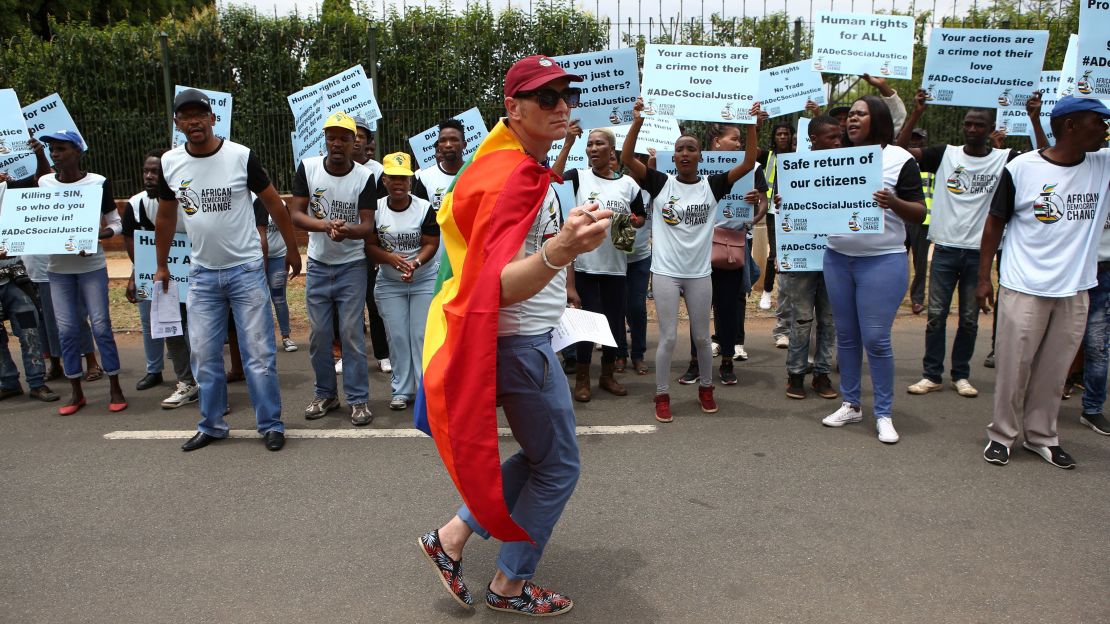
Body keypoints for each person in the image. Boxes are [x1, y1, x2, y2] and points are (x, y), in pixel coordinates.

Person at [417, 54, 610, 616]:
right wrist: (562, 251)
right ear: (513, 107)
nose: (560, 106)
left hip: (523, 339)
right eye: (546, 98)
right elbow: (494, 287)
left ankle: (451, 538)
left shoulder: (516, 169)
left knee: (541, 456)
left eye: (565, 96)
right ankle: (509, 585)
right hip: (520, 343)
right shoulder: (511, 179)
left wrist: (563, 249)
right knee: (560, 465)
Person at [154, 88, 301, 452]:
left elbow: (274, 202)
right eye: (185, 116)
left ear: (212, 118)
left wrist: (293, 251)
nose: (193, 122)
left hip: (247, 271)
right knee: (203, 354)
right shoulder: (170, 163)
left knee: (259, 354)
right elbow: (166, 216)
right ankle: (212, 424)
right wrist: (160, 266)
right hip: (202, 275)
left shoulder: (240, 156)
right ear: (177, 123)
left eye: (199, 115)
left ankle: (270, 424)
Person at [977, 96, 1110, 469]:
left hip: (1075, 289)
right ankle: (1002, 435)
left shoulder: (1103, 165)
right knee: (1013, 368)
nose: (1104, 130)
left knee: (1055, 371)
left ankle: (1042, 437)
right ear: (1070, 125)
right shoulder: (1022, 168)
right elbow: (994, 224)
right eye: (1097, 123)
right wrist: (983, 276)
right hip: (1024, 287)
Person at [621, 96, 759, 423]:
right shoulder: (660, 183)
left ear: (700, 155)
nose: (685, 153)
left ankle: (706, 389)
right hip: (666, 273)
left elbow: (749, 160)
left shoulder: (713, 186)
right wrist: (638, 120)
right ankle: (662, 394)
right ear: (674, 154)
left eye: (691, 149)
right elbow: (626, 157)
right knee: (668, 337)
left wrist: (752, 125)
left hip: (699, 274)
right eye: (680, 149)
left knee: (700, 337)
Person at [819, 96, 926, 444]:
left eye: (859, 115)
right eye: (849, 115)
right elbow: (816, 200)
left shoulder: (900, 159)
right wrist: (790, 203)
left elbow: (919, 212)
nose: (851, 120)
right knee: (846, 337)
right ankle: (851, 403)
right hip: (837, 258)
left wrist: (892, 201)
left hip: (882, 261)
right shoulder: (833, 159)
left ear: (877, 119)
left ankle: (883, 413)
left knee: (876, 339)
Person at [897, 91, 1017, 400]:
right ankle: (931, 374)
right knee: (936, 315)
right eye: (968, 124)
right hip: (946, 249)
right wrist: (916, 113)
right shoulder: (946, 154)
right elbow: (899, 151)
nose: (972, 129)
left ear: (991, 129)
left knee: (969, 318)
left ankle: (961, 374)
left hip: (979, 253)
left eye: (979, 125)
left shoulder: (1006, 160)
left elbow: (1045, 155)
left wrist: (1032, 118)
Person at [288, 111, 376, 426]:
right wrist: (324, 225)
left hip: (352, 265)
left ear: (355, 142)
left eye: (344, 137)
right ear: (325, 139)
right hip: (319, 264)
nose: (337, 143)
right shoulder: (309, 168)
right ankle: (325, 393)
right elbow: (296, 214)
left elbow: (367, 225)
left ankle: (358, 399)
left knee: (351, 334)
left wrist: (347, 230)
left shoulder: (365, 177)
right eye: (332, 137)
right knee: (320, 335)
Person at [38, 130, 128, 415]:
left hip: (91, 266)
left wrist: (101, 234)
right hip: (58, 269)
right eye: (52, 149)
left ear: (77, 152)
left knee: (101, 326)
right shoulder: (44, 183)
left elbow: (117, 222)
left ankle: (115, 386)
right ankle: (75, 391)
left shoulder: (98, 183)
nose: (55, 154)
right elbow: (33, 217)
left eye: (61, 149)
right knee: (66, 330)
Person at [553, 123, 644, 400]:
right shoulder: (578, 177)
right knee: (586, 322)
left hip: (616, 267)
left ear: (612, 149)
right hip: (584, 266)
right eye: (590, 144)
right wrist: (568, 142)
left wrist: (630, 222)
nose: (593, 149)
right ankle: (583, 379)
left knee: (614, 322)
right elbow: (553, 179)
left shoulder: (628, 184)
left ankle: (607, 376)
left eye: (599, 144)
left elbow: (640, 217)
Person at [678, 123, 769, 385]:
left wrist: (755, 214)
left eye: (742, 139)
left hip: (731, 248)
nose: (739, 144)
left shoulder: (751, 168)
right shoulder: (696, 165)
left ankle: (727, 361)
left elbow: (763, 202)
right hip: (697, 247)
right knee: (698, 310)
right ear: (716, 141)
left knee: (728, 307)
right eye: (734, 138)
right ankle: (696, 363)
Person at [121, 148, 199, 409]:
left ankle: (207, 382)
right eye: (146, 171)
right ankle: (186, 381)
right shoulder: (137, 204)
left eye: (156, 172)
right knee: (171, 329)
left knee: (200, 332)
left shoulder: (190, 200)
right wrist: (136, 275)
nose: (149, 176)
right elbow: (137, 245)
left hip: (197, 275)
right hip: (165, 276)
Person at [368, 152, 439, 411]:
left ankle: (424, 390)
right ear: (385, 180)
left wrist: (415, 263)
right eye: (393, 178)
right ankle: (401, 390)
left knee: (420, 335)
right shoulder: (376, 209)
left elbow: (432, 243)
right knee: (397, 336)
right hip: (389, 283)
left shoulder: (423, 207)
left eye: (404, 178)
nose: (399, 183)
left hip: (423, 279)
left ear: (410, 181)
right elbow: (369, 246)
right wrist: (389, 258)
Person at [782, 116, 842, 400]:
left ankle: (821, 374)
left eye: (839, 137)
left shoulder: (850, 168)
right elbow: (785, 208)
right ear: (814, 139)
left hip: (836, 256)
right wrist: (782, 203)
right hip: (804, 256)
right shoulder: (794, 169)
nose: (838, 142)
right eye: (832, 137)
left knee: (829, 319)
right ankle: (795, 375)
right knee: (803, 318)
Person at [0, 141, 60, 403]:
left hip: (15, 277)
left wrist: (37, 153)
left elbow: (43, 182)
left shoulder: (11, 187)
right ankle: (8, 382)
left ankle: (37, 382)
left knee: (29, 329)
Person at [351, 115, 391, 375]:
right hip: (343, 245)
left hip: (370, 246)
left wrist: (378, 247)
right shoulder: (332, 166)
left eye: (360, 136)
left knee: (373, 302)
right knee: (349, 306)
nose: (355, 141)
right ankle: (346, 354)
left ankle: (382, 354)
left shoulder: (377, 171)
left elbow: (383, 211)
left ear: (368, 142)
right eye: (351, 135)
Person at [904, 127, 933, 315]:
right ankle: (895, 294)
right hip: (902, 219)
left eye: (919, 140)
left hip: (924, 221)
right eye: (912, 140)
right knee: (897, 259)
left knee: (920, 263)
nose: (915, 143)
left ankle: (917, 298)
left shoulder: (932, 164)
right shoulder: (903, 164)